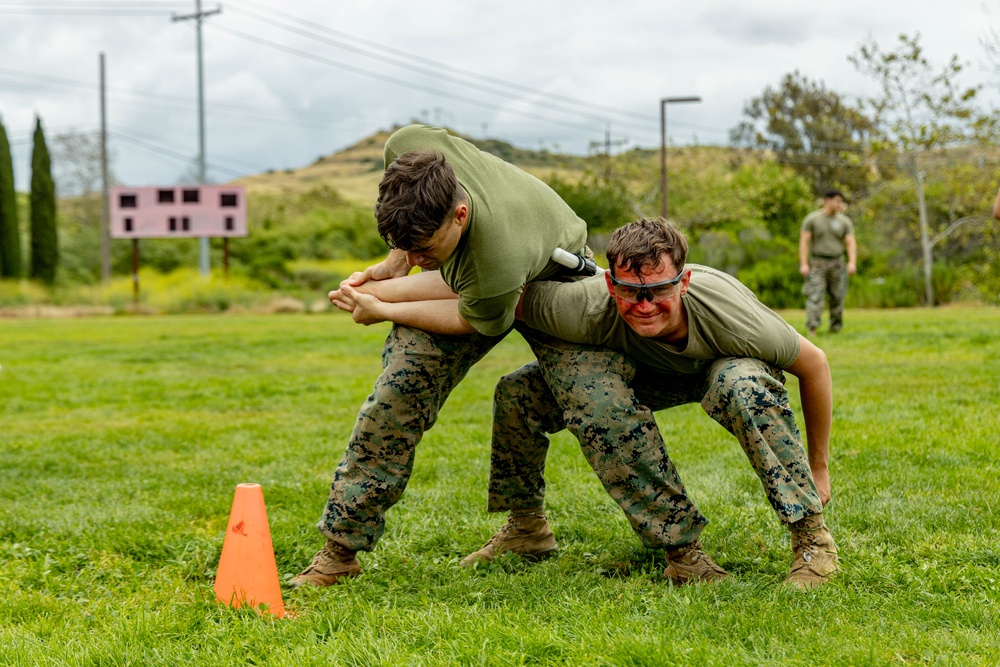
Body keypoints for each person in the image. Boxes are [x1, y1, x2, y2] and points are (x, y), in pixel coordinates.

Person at [463, 218, 838, 588]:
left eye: (659, 291)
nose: (644, 305)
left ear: (684, 282)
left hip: (720, 366)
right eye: (631, 291)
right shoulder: (585, 304)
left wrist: (818, 466)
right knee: (519, 392)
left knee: (741, 384)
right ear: (611, 284)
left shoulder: (733, 316)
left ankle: (813, 543)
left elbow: (815, 365)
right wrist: (404, 289)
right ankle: (528, 529)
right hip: (645, 373)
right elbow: (487, 293)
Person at [290, 124, 588, 588]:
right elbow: (426, 256)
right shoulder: (407, 147)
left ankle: (541, 530)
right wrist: (396, 260)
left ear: (460, 215)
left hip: (556, 278)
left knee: (589, 400)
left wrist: (383, 306)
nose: (417, 256)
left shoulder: (495, 258)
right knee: (398, 392)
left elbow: (471, 318)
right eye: (408, 245)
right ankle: (339, 551)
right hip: (482, 270)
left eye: (423, 248)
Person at [799, 189, 857, 337]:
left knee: (838, 296)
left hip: (837, 262)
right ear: (828, 200)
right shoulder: (812, 219)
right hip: (818, 263)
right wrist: (804, 264)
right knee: (815, 296)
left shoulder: (844, 221)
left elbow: (850, 243)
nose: (840, 204)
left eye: (841, 201)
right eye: (837, 201)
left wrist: (852, 262)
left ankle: (836, 328)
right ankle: (812, 328)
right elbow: (804, 242)